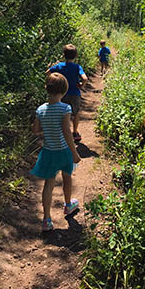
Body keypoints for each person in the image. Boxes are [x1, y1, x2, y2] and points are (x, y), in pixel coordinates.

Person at [30, 73, 81, 232]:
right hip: (64, 151)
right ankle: (68, 205)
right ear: (64, 91)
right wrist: (74, 152)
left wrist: (46, 127)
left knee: (49, 183)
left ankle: (46, 219)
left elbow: (36, 130)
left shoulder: (41, 109)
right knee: (67, 177)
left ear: (46, 89)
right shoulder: (65, 108)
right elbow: (67, 131)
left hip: (48, 152)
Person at [46, 44, 87, 143]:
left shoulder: (59, 66)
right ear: (76, 55)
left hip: (62, 93)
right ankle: (75, 132)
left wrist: (55, 81)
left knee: (62, 113)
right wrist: (81, 85)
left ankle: (63, 133)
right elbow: (85, 78)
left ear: (64, 55)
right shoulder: (77, 67)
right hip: (75, 93)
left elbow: (47, 72)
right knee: (75, 113)